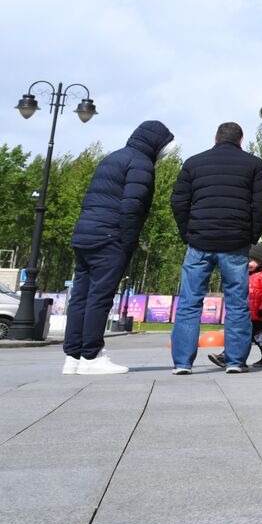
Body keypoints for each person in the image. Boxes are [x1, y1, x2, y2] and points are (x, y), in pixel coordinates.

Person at [63, 120, 174, 375]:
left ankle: (73, 357)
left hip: (85, 234)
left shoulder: (113, 157)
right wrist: (128, 242)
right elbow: (133, 206)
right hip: (110, 237)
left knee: (81, 295)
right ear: (156, 144)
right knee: (100, 297)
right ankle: (91, 356)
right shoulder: (142, 164)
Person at [169, 122, 262, 375]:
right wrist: (251, 236)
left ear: (215, 138)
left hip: (199, 243)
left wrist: (188, 233)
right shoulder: (254, 164)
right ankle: (235, 361)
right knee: (237, 304)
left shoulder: (194, 163)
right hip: (235, 245)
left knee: (189, 303)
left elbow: (178, 200)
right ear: (241, 140)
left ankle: (182, 363)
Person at [208, 242, 262, 369]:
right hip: (248, 313)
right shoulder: (249, 275)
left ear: (260, 261)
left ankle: (227, 356)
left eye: (252, 260)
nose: (248, 263)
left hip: (260, 315)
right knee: (259, 337)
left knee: (243, 335)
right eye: (247, 260)